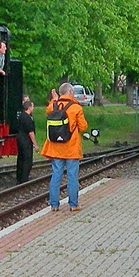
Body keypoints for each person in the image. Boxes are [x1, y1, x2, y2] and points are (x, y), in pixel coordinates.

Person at [41, 82, 89, 211]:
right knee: (72, 176)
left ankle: (54, 205)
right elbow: (83, 127)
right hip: (71, 148)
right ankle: (73, 205)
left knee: (56, 175)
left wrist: (54, 99)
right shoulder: (76, 108)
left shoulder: (54, 106)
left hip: (56, 148)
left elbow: (48, 110)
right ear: (71, 92)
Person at [16, 99, 37, 184]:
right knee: (27, 160)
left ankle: (19, 177)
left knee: (20, 158)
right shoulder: (28, 118)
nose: (33, 108)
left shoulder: (21, 116)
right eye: (32, 106)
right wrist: (35, 144)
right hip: (26, 141)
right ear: (29, 107)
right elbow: (30, 132)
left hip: (20, 139)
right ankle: (24, 178)